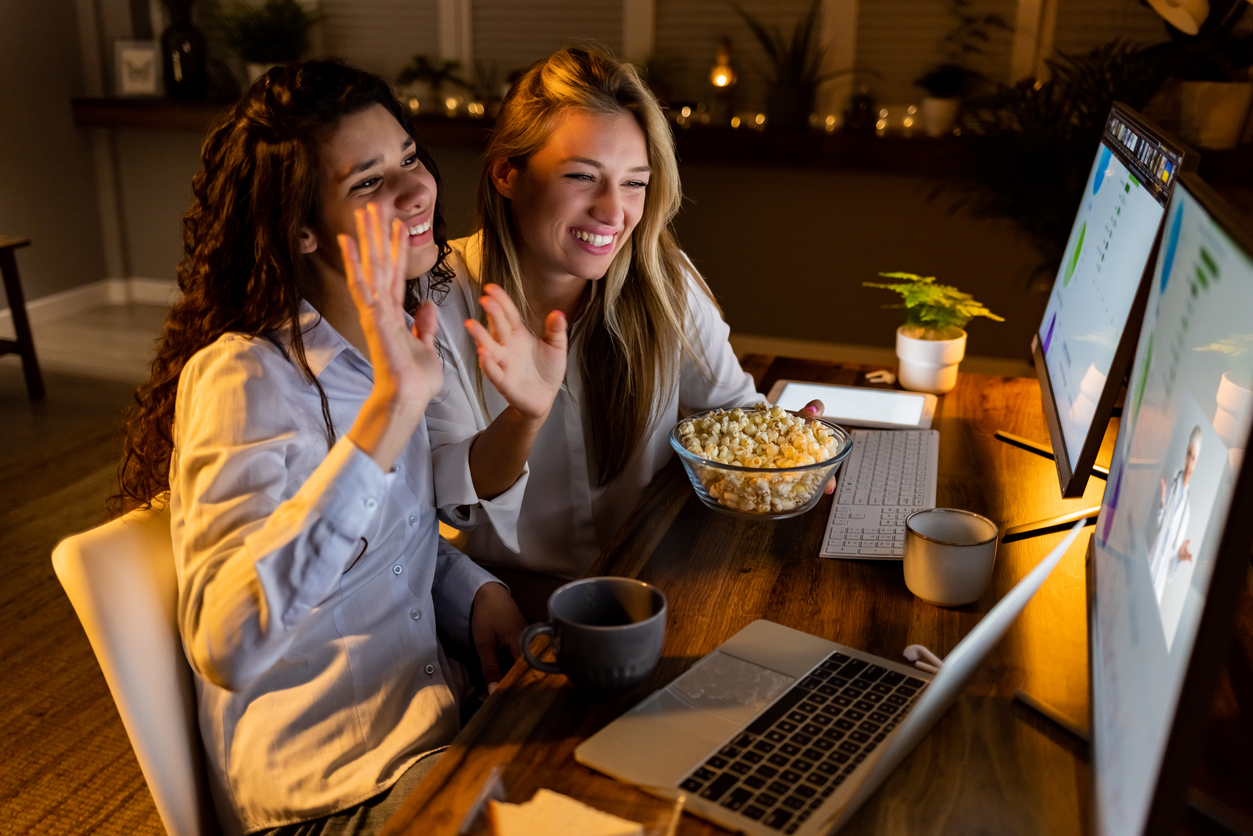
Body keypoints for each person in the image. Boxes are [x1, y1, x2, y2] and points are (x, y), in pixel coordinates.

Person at [111, 61, 525, 836]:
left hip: (436, 731)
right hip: (334, 799)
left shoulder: (382, 351)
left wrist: (473, 591)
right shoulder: (242, 378)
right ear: (303, 229)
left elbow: (383, 545)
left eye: (408, 157)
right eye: (368, 182)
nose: (416, 190)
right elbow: (227, 643)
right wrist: (390, 415)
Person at [425, 47, 827, 617]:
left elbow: (732, 415)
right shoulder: (437, 300)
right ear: (507, 173)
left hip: (658, 587)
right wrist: (523, 416)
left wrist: (785, 460)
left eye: (635, 183)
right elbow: (451, 504)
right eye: (583, 177)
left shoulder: (665, 281)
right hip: (508, 610)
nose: (614, 212)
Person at [1148, 424, 1201, 605]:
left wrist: (1179, 556)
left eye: (1194, 458)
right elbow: (1160, 526)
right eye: (1189, 455)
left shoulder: (1187, 511)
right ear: (1185, 454)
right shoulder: (1172, 483)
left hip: (1159, 582)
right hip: (1150, 562)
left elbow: (1171, 566)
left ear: (1197, 462)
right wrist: (1163, 501)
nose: (1190, 463)